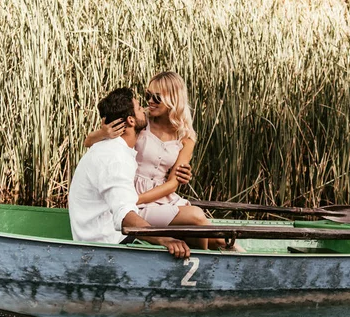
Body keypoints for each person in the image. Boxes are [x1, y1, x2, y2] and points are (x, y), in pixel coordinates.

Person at [85, 71, 242, 251]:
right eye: (148, 96)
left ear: (173, 99)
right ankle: (203, 259)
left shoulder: (186, 137)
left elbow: (173, 183)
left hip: (161, 196)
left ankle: (207, 257)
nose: (150, 101)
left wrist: (136, 199)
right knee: (198, 218)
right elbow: (89, 143)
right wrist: (102, 133)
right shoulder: (141, 121)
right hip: (131, 194)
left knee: (213, 234)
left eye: (157, 97)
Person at [68, 87, 190, 258]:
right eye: (140, 108)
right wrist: (164, 239)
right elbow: (124, 215)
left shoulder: (109, 147)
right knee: (189, 231)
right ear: (131, 121)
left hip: (103, 235)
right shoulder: (115, 158)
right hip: (107, 243)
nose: (145, 110)